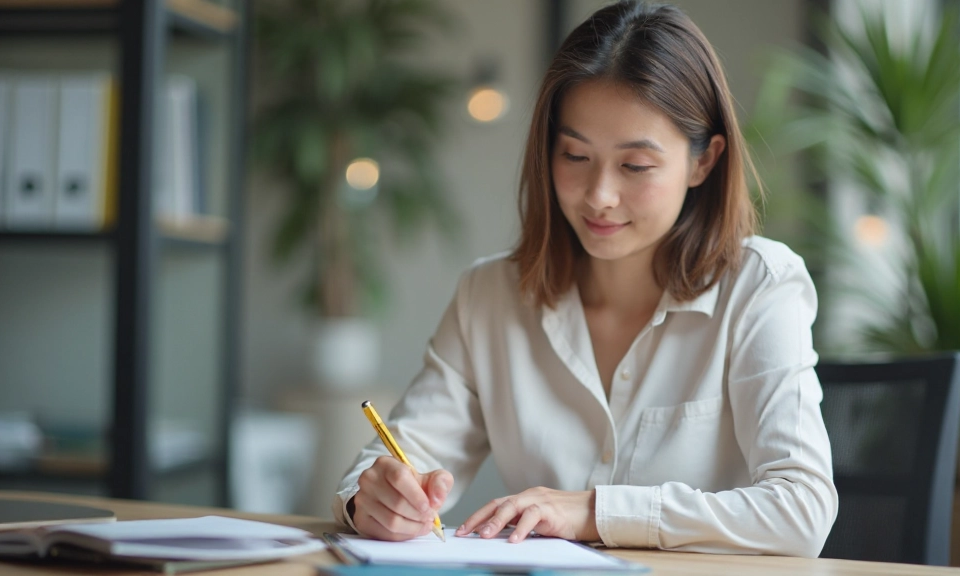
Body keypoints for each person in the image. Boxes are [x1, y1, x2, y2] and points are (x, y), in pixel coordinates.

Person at [332, 0, 837, 557]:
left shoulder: (758, 286)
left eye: (635, 166)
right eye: (575, 155)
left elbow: (802, 509)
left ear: (704, 161)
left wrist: (596, 511)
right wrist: (373, 499)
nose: (598, 195)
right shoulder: (491, 297)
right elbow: (403, 457)